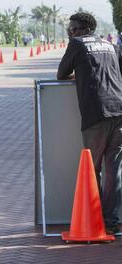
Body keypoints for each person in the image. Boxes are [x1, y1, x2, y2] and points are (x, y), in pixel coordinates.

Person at [57, 12, 122, 235]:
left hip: (96, 114)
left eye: (73, 29)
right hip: (119, 111)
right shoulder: (109, 44)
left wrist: (79, 74)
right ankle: (111, 221)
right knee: (114, 171)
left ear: (85, 28)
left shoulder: (76, 44)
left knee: (91, 170)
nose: (71, 33)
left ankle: (93, 221)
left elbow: (61, 74)